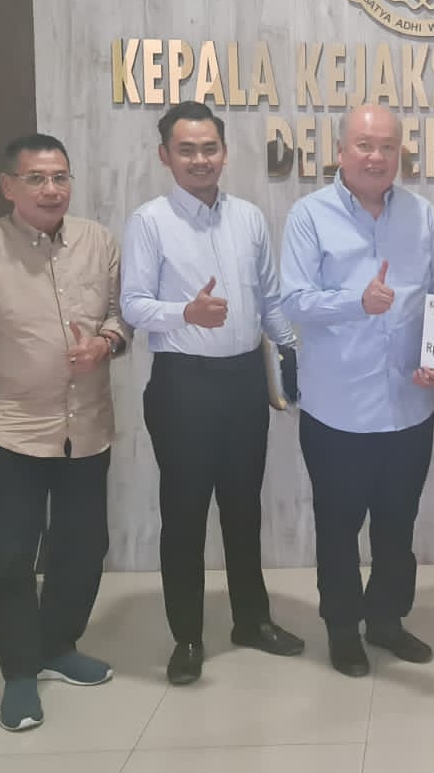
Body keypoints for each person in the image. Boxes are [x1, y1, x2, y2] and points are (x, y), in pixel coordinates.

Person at [0, 134, 128, 732]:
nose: (51, 189)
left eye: (61, 177)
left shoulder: (98, 242)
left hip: (85, 428)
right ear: (8, 186)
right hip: (10, 431)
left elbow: (121, 314)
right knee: (12, 557)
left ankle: (57, 646)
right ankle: (19, 672)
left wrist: (105, 343)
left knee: (82, 549)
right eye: (37, 178)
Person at [120, 101, 305, 687]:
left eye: (209, 148)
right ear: (165, 156)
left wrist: (291, 351)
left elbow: (270, 298)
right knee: (185, 514)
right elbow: (132, 305)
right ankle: (187, 637)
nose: (200, 160)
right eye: (187, 150)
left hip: (244, 382)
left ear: (224, 153)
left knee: (244, 509)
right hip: (184, 386)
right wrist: (187, 313)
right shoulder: (149, 221)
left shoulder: (249, 217)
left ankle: (252, 620)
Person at [279, 103, 434, 677]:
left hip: (410, 405)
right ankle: (341, 628)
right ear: (340, 151)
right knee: (338, 528)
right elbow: (294, 300)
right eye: (364, 144)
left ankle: (386, 620)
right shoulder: (309, 215)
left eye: (387, 146)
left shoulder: (422, 214)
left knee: (396, 526)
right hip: (338, 410)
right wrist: (356, 302)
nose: (376, 156)